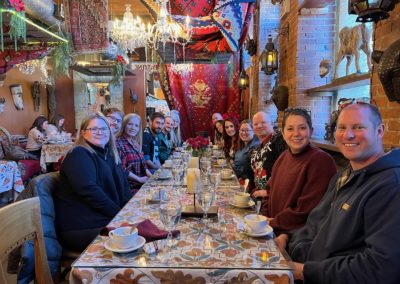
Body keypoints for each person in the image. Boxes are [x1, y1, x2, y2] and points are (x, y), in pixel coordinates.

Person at [278, 103, 400, 283]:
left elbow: (380, 268)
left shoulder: (391, 186)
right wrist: (286, 237)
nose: (348, 135)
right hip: (298, 261)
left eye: (358, 127)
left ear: (380, 131)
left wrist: (303, 271)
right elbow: (317, 224)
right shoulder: (344, 176)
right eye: (341, 127)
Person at [54, 112, 131, 251]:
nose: (100, 132)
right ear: (83, 133)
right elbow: (89, 191)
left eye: (103, 128)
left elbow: (124, 184)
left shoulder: (109, 154)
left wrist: (129, 210)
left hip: (104, 218)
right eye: (94, 129)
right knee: (137, 238)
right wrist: (119, 215)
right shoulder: (79, 154)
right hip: (82, 227)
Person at [252, 108, 336, 234]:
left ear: (311, 131)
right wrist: (264, 218)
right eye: (290, 129)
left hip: (294, 237)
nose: (296, 134)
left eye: (302, 128)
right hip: (271, 229)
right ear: (283, 133)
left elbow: (307, 210)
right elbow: (269, 193)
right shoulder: (283, 157)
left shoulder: (321, 161)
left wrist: (273, 222)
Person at [249, 111, 286, 193]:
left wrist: (268, 192)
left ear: (272, 124)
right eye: (255, 124)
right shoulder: (255, 149)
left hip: (274, 195)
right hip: (257, 195)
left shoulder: (279, 139)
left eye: (263, 122)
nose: (259, 126)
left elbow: (287, 170)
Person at [116, 113, 152, 195]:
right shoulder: (118, 144)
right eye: (130, 124)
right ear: (124, 125)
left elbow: (144, 165)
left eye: (136, 125)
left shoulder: (135, 143)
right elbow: (122, 169)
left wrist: (151, 177)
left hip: (142, 183)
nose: (133, 128)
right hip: (130, 188)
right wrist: (139, 179)